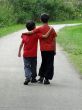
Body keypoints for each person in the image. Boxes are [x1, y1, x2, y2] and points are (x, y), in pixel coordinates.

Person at [18, 20, 52, 85]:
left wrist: (19, 52)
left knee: (26, 66)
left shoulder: (24, 35)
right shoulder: (36, 34)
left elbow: (21, 44)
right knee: (33, 66)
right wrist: (50, 29)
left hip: (26, 55)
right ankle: (33, 78)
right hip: (33, 55)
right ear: (34, 27)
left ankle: (27, 77)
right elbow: (45, 36)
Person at [27, 13, 57, 84]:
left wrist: (24, 33)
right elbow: (54, 40)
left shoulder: (39, 28)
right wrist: (55, 50)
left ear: (41, 20)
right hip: (51, 49)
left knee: (44, 62)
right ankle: (46, 79)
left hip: (43, 49)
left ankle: (41, 77)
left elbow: (31, 32)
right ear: (48, 20)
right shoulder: (51, 29)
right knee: (50, 64)